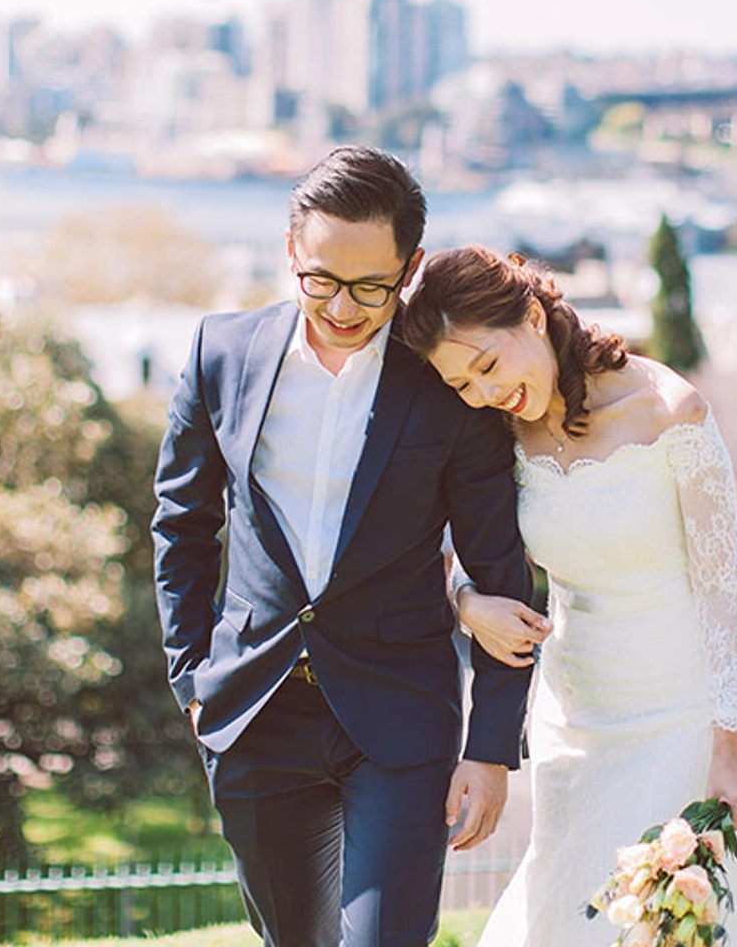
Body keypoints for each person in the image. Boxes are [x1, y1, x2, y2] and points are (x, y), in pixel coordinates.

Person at [151, 149, 535, 947]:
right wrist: (191, 674)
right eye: (320, 280)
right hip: (253, 711)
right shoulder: (220, 353)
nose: (342, 307)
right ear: (291, 251)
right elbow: (182, 523)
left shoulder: (447, 386)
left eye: (371, 287)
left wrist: (492, 748)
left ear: (411, 269)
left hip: (402, 716)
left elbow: (500, 570)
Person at [402, 245, 737, 947]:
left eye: (488, 365)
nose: (483, 393)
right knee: (567, 911)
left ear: (534, 317)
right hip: (571, 715)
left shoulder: (670, 411)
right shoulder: (496, 431)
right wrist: (467, 603)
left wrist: (729, 745)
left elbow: (724, 593)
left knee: (654, 920)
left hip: (679, 716)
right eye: (461, 384)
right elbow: (441, 550)